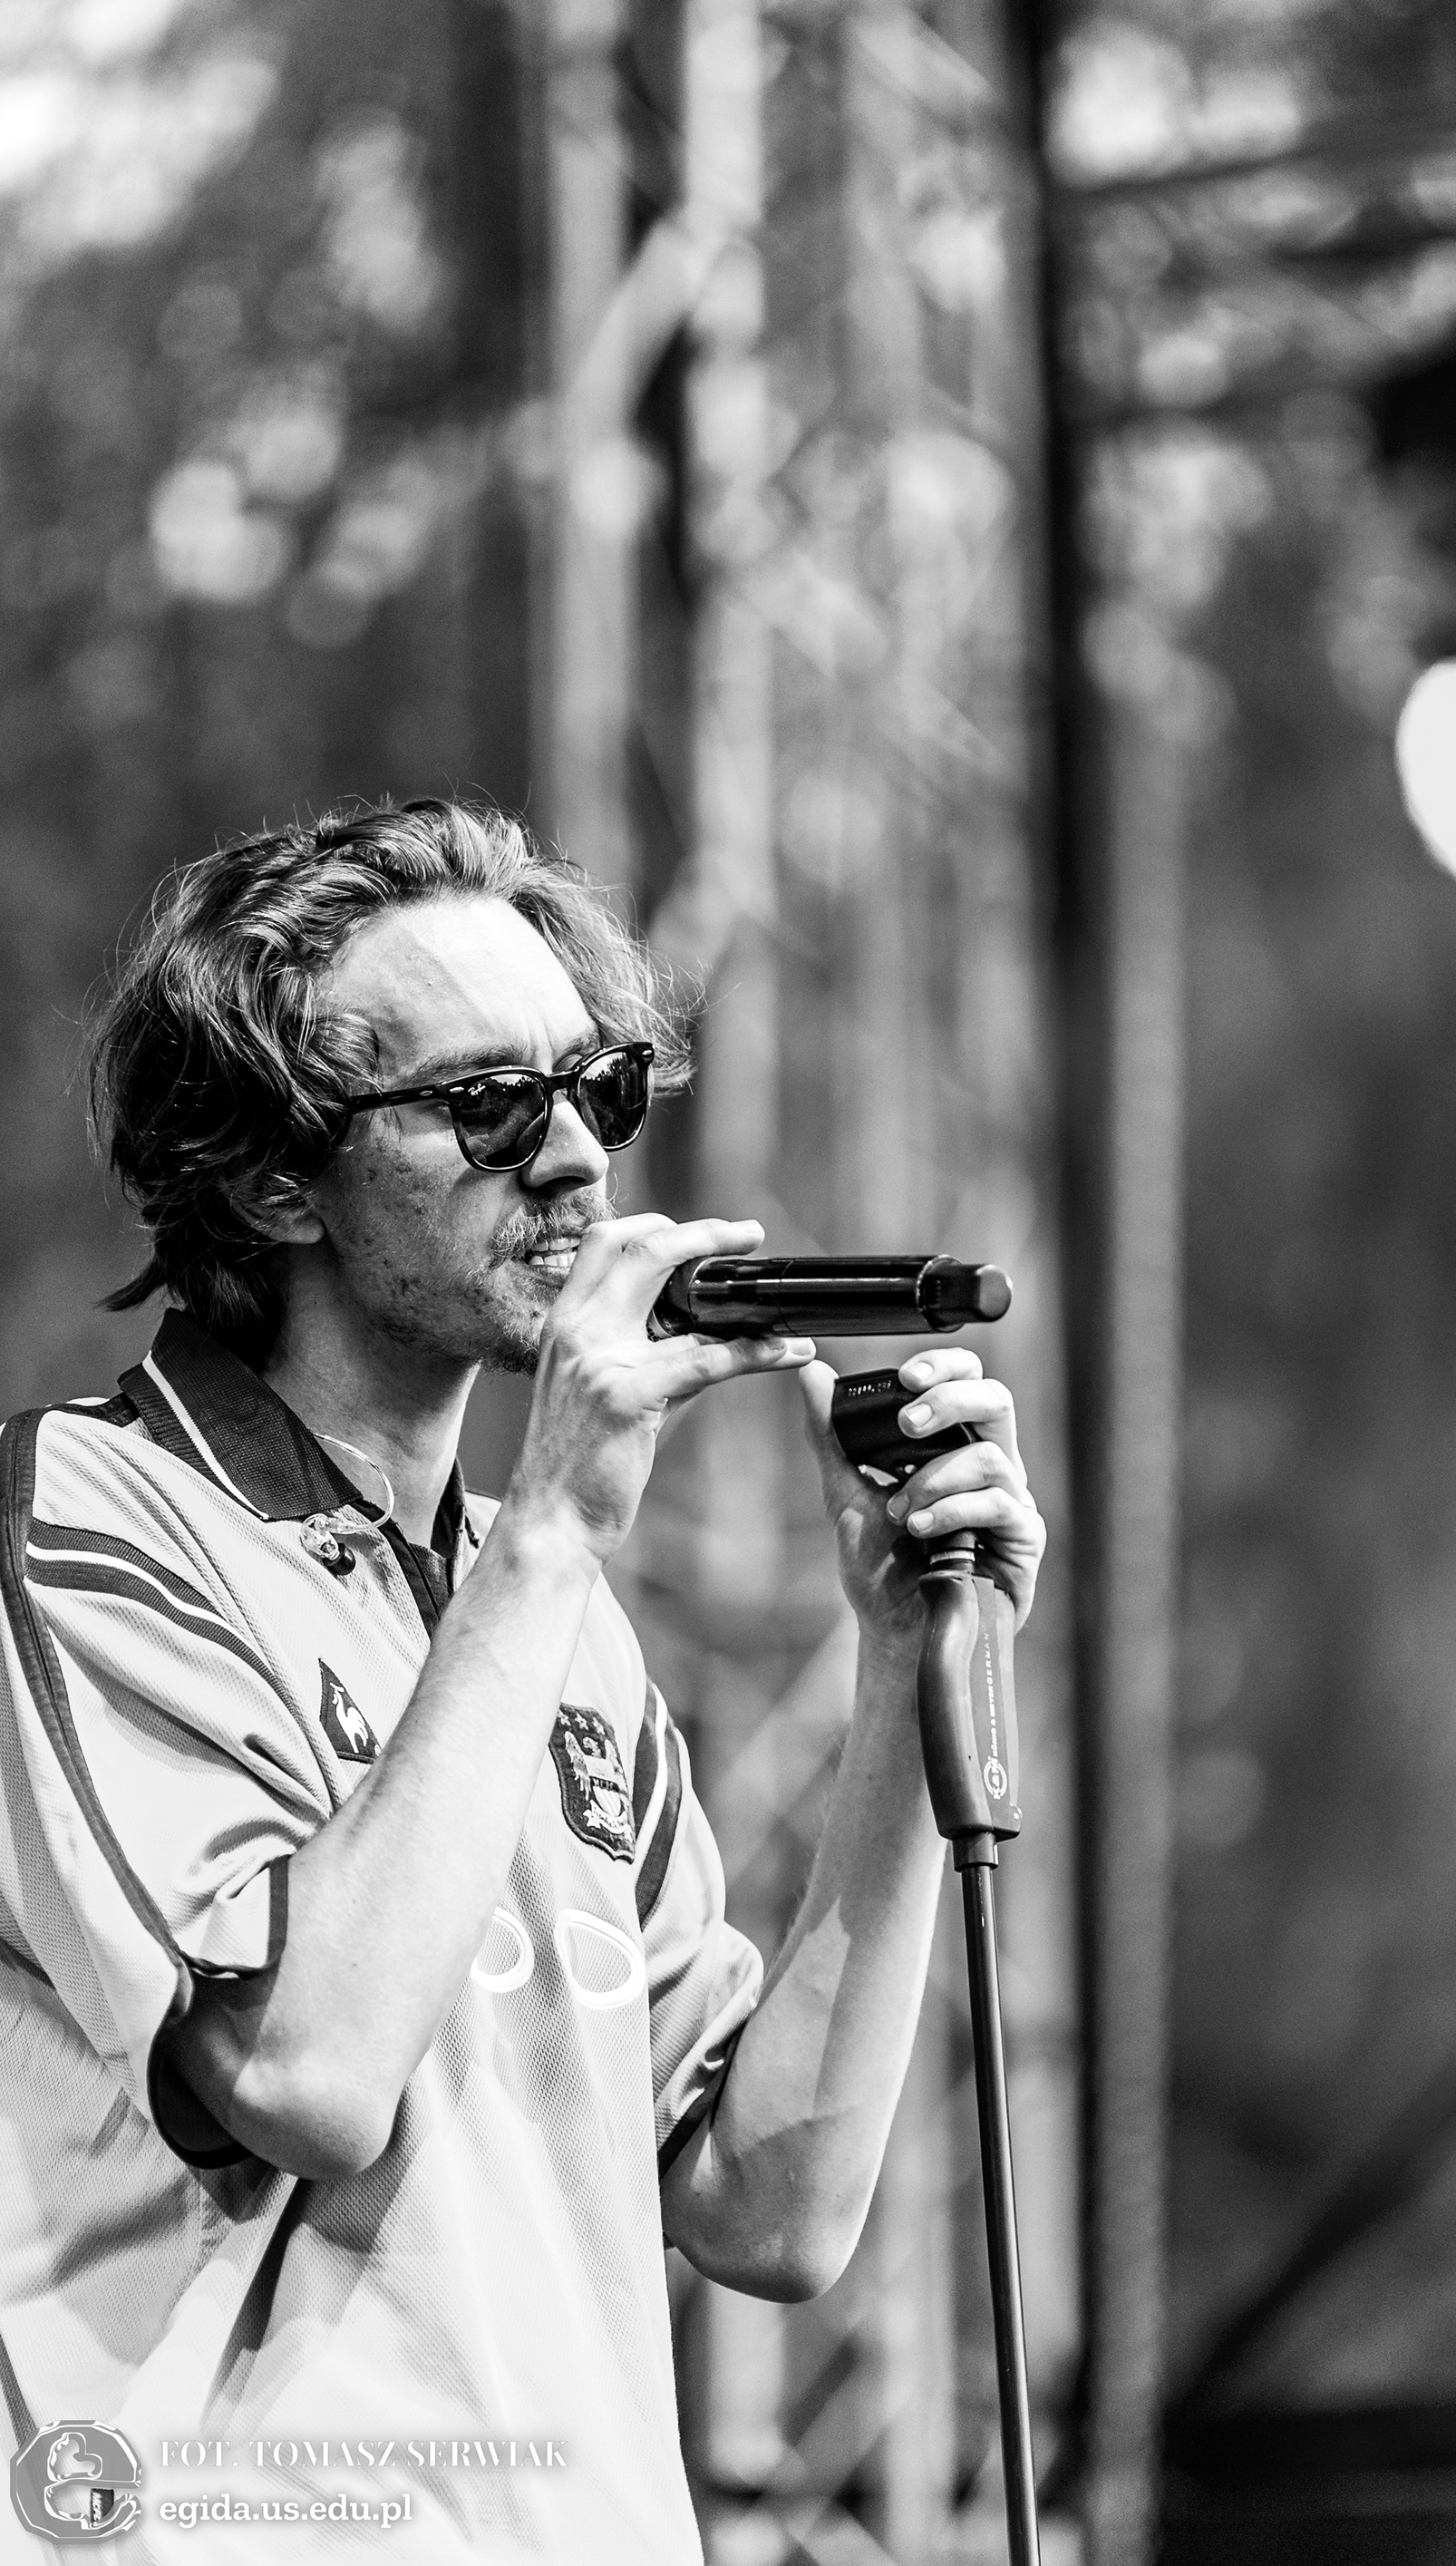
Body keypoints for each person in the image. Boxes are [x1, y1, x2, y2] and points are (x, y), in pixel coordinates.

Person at [0, 802, 1044, 2562]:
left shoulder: (543, 1615)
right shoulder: (89, 1516)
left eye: (600, 1088)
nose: (571, 1157)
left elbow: (773, 2204)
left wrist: (900, 1660)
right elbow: (304, 2075)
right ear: (272, 1180)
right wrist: (555, 1527)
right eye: (488, 1104)